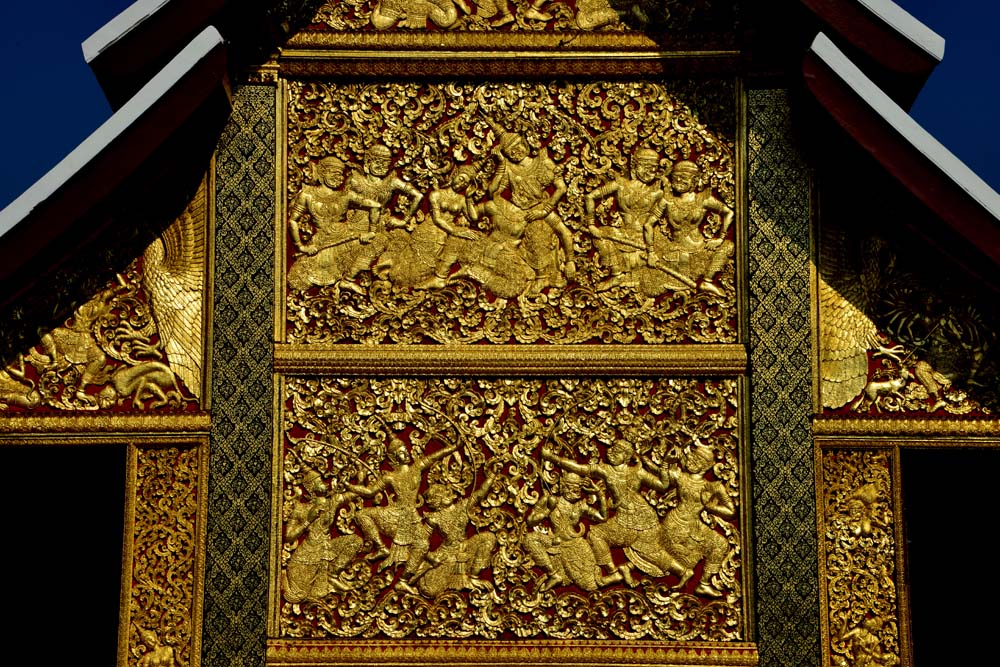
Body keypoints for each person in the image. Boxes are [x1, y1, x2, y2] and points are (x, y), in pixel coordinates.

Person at [542, 439, 682, 586]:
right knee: (648, 550)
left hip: (644, 518)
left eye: (617, 451)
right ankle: (623, 570)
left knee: (598, 536)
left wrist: (665, 463)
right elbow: (580, 468)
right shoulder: (606, 470)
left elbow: (663, 485)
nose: (611, 453)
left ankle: (614, 572)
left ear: (626, 456)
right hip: (628, 518)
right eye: (612, 450)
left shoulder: (637, 471)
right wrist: (552, 457)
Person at [348, 437, 457, 594]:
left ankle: (403, 581)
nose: (405, 454)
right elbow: (369, 492)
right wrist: (349, 486)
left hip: (410, 516)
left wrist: (454, 446)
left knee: (422, 545)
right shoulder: (390, 477)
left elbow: (436, 456)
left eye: (405, 450)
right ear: (394, 457)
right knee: (361, 515)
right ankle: (381, 547)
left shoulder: (417, 467)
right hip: (394, 514)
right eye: (400, 452)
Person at [486, 130, 576, 292]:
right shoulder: (509, 169)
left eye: (518, 147)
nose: (516, 152)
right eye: (511, 152)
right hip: (518, 213)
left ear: (525, 144)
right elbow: (493, 192)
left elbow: (561, 188)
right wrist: (501, 164)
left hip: (541, 208)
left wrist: (544, 211)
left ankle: (562, 266)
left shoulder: (542, 162)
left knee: (557, 231)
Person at [286, 156, 381, 292]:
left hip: (345, 237)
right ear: (322, 172)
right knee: (299, 280)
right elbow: (292, 220)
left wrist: (372, 232)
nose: (338, 178)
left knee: (377, 242)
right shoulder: (307, 195)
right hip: (322, 242)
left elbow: (375, 205)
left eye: (340, 175)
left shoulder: (345, 195)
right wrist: (301, 247)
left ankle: (348, 280)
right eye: (334, 173)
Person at [643, 160, 734, 297]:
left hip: (700, 248)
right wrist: (651, 252)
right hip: (676, 249)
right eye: (676, 177)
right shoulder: (667, 201)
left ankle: (707, 281)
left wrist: (720, 238)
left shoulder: (703, 199)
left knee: (728, 246)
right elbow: (648, 224)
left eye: (684, 177)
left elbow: (729, 213)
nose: (679, 180)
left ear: (695, 180)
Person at [658, 444, 735, 597]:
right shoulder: (681, 477)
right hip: (675, 523)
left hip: (694, 525)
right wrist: (666, 462)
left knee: (721, 544)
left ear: (706, 466)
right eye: (692, 457)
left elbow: (731, 511)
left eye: (698, 460)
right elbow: (662, 482)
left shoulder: (712, 487)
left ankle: (703, 584)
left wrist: (710, 507)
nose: (692, 461)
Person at [585, 148, 663, 291]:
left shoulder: (658, 192)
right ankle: (617, 274)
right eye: (646, 167)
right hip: (624, 234)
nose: (649, 172)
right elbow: (590, 197)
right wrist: (591, 224)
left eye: (653, 169)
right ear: (635, 165)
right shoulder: (620, 185)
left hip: (646, 237)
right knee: (601, 235)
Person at [282, 469, 363, 602]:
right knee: (307, 595)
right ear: (311, 487)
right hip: (306, 557)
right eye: (319, 481)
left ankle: (333, 575)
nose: (324, 483)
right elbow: (288, 537)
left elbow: (355, 494)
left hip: (327, 548)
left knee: (355, 541)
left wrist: (357, 480)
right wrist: (308, 520)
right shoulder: (300, 509)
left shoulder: (333, 501)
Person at [346, 144, 424, 280]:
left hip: (383, 222)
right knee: (377, 242)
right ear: (367, 162)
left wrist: (404, 220)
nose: (381, 166)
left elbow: (418, 196)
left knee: (404, 239)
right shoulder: (355, 181)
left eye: (385, 163)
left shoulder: (391, 182)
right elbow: (342, 201)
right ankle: (349, 278)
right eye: (377, 161)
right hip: (359, 222)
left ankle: (384, 268)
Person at [413, 472, 498, 597]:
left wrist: (492, 476)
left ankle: (473, 577)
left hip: (466, 548)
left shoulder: (463, 506)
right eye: (439, 495)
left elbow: (480, 493)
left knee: (488, 538)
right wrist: (431, 558)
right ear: (435, 501)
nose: (445, 496)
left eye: (444, 492)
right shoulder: (434, 518)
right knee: (429, 590)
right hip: (447, 556)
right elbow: (419, 542)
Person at [525, 471, 607, 592]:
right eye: (571, 488)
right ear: (563, 487)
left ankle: (618, 575)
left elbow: (602, 517)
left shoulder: (580, 506)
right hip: (554, 542)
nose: (575, 491)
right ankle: (553, 574)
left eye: (577, 489)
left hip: (575, 546)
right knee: (529, 539)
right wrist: (548, 510)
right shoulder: (550, 500)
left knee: (589, 586)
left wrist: (599, 493)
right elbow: (530, 521)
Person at [406, 165, 484, 290]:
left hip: (447, 231)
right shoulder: (436, 194)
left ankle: (440, 277)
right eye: (461, 178)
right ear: (454, 175)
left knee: (470, 238)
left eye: (466, 183)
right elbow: (437, 219)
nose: (461, 184)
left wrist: (469, 198)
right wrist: (455, 231)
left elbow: (473, 218)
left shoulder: (461, 200)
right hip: (431, 229)